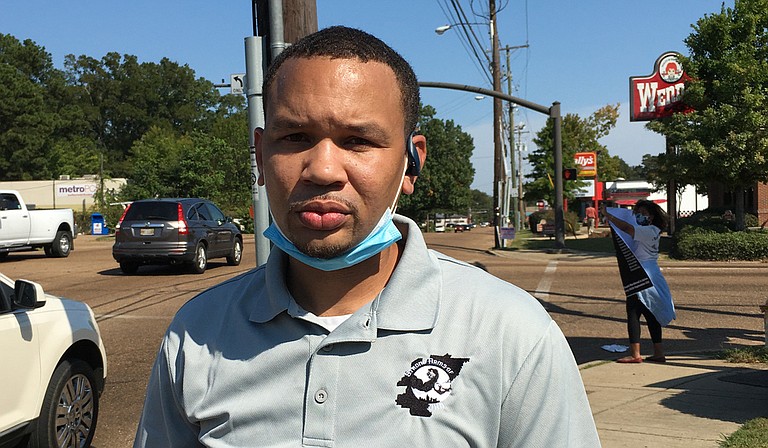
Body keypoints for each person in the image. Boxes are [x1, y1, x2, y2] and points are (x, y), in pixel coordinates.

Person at [134, 26, 600, 447]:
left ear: (410, 162)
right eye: (294, 137)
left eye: (358, 141)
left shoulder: (513, 335)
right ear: (260, 154)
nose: (322, 170)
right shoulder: (196, 335)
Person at [601, 200, 676, 364]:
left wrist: (610, 216)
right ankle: (658, 352)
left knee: (633, 313)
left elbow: (628, 229)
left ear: (651, 216)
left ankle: (635, 354)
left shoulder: (647, 231)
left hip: (640, 274)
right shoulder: (653, 230)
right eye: (638, 213)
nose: (640, 216)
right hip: (651, 273)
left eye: (643, 212)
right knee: (651, 314)